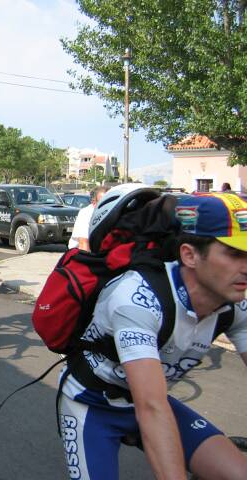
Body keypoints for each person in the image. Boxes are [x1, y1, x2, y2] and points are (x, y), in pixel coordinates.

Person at [57, 191, 247, 480]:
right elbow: (152, 407)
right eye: (234, 254)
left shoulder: (236, 304)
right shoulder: (137, 298)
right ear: (189, 255)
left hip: (146, 399)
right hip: (92, 404)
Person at [67, 186, 108, 251]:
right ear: (94, 202)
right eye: (103, 201)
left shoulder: (112, 211)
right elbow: (83, 243)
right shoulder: (86, 213)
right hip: (82, 252)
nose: (107, 204)